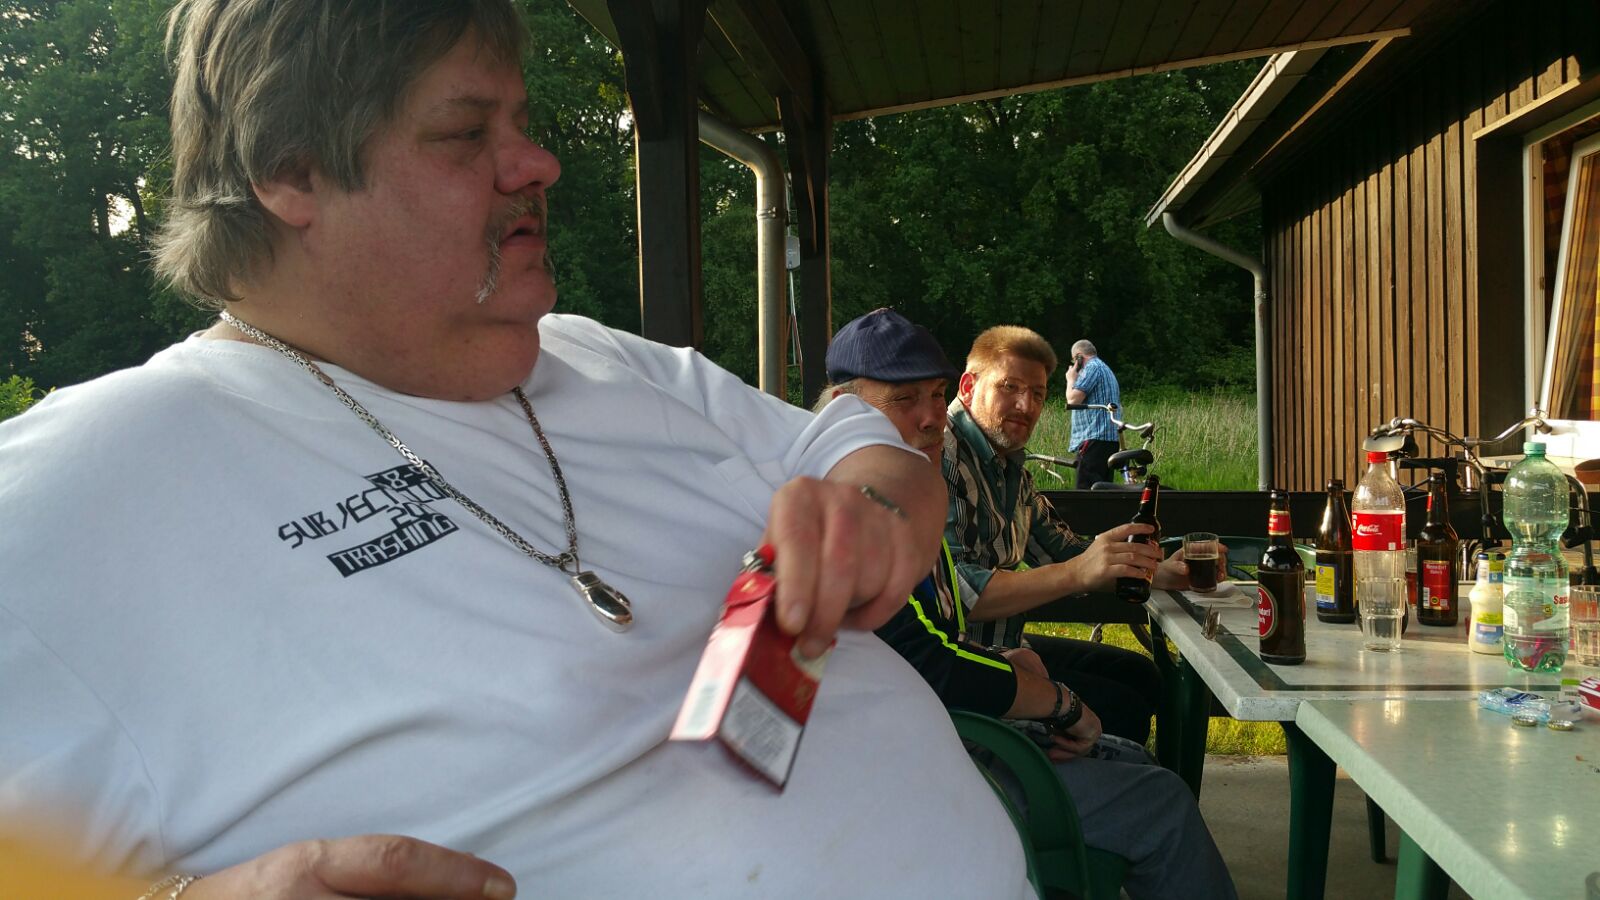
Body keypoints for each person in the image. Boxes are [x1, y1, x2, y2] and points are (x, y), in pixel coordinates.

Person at [0, 3, 1034, 898]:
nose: (539, 163)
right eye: (464, 133)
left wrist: (877, 510)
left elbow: (858, 441)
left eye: (522, 123)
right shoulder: (91, 478)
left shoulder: (597, 357)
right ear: (290, 171)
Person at [817, 309, 1235, 900]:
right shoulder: (880, 495)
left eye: (934, 395)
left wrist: (1157, 569)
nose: (931, 416)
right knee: (1157, 792)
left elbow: (1058, 552)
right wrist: (1060, 702)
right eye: (904, 398)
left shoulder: (929, 477)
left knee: (1136, 739)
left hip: (948, 717)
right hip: (920, 765)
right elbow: (934, 653)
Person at [945, 325, 1189, 745]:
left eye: (1038, 394)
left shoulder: (1008, 466)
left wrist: (1159, 571)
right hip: (960, 666)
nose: (1026, 405)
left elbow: (1063, 549)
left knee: (1141, 675)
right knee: (1122, 705)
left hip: (1008, 642)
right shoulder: (942, 457)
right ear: (968, 386)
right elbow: (961, 592)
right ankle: (1075, 783)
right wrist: (1078, 573)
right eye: (1009, 387)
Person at [1065, 339, 1122, 488]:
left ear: (1078, 357)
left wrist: (1071, 379)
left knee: (1086, 492)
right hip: (1109, 439)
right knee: (1102, 490)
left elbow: (1072, 400)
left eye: (1074, 360)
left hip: (1094, 438)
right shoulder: (1105, 368)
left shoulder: (1091, 368)